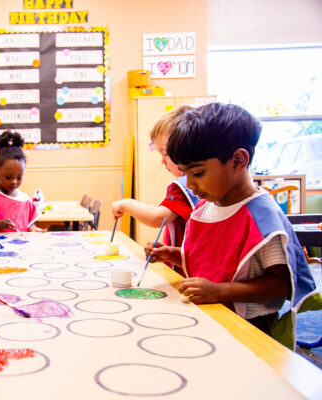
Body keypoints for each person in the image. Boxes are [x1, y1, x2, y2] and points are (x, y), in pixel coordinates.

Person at [145, 102, 322, 348]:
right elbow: (210, 260)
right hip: (212, 314)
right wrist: (171, 254)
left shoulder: (261, 217)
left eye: (198, 173)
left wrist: (220, 291)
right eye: (186, 174)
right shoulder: (206, 207)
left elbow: (280, 284)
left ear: (238, 161)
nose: (191, 185)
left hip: (250, 326)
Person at [112, 105, 197, 274]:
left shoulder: (185, 185)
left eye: (165, 154)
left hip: (188, 274)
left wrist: (125, 204)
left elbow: (157, 218)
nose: (162, 162)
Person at [0, 131, 44, 233]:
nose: (14, 181)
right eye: (8, 177)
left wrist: (33, 228)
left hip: (20, 247)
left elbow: (28, 224)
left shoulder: (25, 199)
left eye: (19, 177)